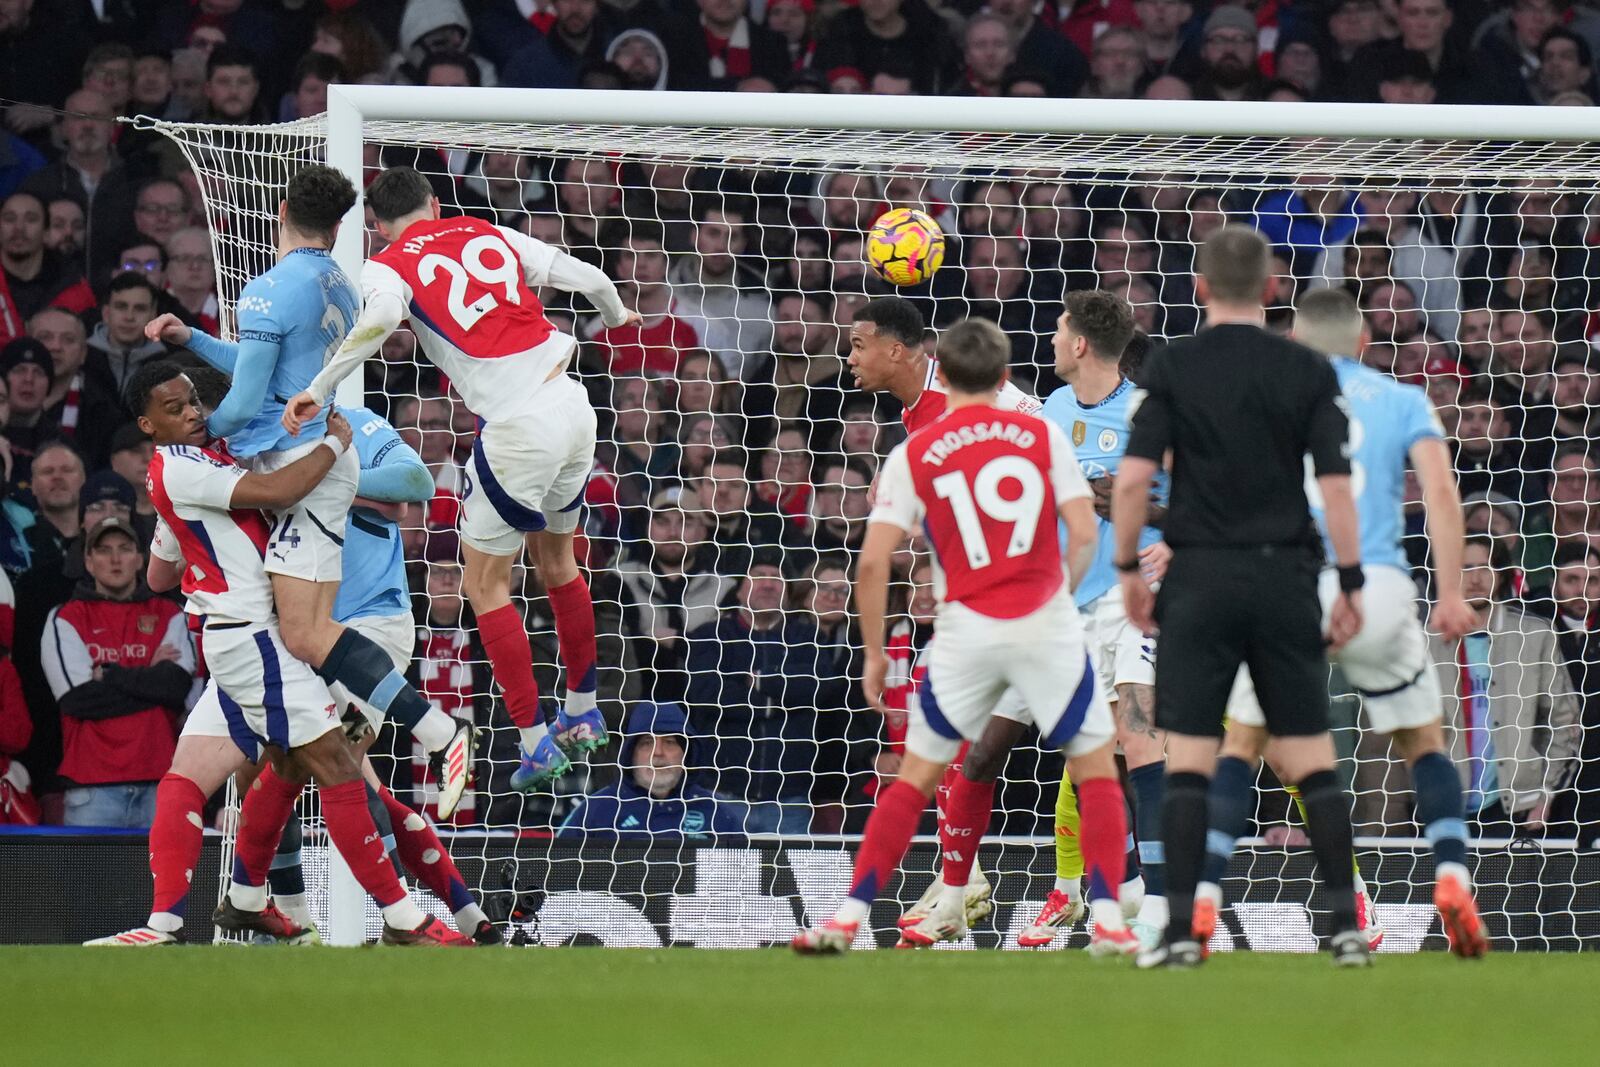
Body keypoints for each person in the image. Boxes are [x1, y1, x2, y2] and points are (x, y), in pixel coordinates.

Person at [281, 165, 639, 791]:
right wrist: (612, 314)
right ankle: (582, 711)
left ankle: (534, 742)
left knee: (486, 585)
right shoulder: (487, 230)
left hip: (517, 429)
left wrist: (319, 386)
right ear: (436, 205)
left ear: (375, 223)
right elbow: (589, 277)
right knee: (560, 565)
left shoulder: (387, 265)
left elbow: (378, 322)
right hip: (574, 409)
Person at [792, 318, 1137, 956]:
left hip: (968, 629)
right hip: (1044, 620)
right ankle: (1112, 919)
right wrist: (1062, 594)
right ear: (1005, 373)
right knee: (1095, 772)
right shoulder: (1042, 434)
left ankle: (847, 916)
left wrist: (873, 652)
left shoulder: (914, 452)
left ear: (939, 370)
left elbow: (871, 565)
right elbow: (1086, 530)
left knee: (916, 777)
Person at [145, 165, 473, 816]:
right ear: (342, 223)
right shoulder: (335, 284)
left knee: (309, 666)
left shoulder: (275, 311)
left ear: (284, 208)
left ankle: (436, 735)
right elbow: (267, 366)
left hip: (339, 548)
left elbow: (246, 398)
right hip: (292, 530)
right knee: (284, 763)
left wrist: (211, 441)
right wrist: (196, 341)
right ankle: (268, 904)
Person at [115, 361, 468, 946]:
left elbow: (157, 576)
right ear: (147, 424)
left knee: (207, 772)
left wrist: (187, 536)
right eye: (175, 409)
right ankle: (407, 916)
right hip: (254, 635)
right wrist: (333, 446)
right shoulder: (193, 467)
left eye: (194, 403)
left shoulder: (211, 461)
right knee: (334, 763)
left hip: (237, 637)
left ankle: (179, 919)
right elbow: (278, 490)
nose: (193, 414)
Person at [1113, 225, 1369, 968]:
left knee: (1189, 759)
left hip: (1198, 579)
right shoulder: (1305, 370)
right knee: (1314, 759)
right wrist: (1349, 579)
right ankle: (1343, 928)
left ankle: (1189, 936)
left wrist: (1129, 567)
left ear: (1199, 288)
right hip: (1285, 576)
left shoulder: (1173, 366)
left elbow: (1133, 480)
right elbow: (1333, 486)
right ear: (1271, 289)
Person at [1209, 288, 1488, 959]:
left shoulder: (1267, 398)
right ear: (1365, 343)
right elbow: (1442, 493)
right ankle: (1450, 872)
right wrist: (1450, 593)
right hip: (1382, 586)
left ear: (1297, 343)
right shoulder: (1403, 399)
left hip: (1288, 584)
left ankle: (1202, 898)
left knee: (1242, 743)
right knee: (1423, 740)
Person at [1027, 289, 1171, 948]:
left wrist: (1162, 532)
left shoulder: (1147, 412)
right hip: (1069, 602)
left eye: (1059, 330)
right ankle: (1113, 901)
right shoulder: (1053, 409)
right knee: (1091, 752)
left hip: (1132, 595)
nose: (1052, 341)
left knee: (1140, 735)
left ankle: (1164, 903)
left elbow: (1195, 493)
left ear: (1081, 343)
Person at [42, 515, 190, 829]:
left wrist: (109, 674)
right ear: (88, 561)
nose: (114, 558)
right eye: (104, 549)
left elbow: (176, 687)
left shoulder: (169, 613)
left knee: (164, 879)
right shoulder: (66, 617)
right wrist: (149, 676)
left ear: (140, 559)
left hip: (161, 779)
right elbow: (77, 700)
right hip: (92, 787)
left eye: (124, 548)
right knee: (88, 881)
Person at [1431, 535, 1580, 838]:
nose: (1474, 578)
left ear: (1501, 574)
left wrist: (1545, 793)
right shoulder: (1424, 643)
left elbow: (1565, 723)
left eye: (1485, 567)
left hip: (1516, 809)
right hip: (1442, 807)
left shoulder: (1535, 635)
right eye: (1465, 567)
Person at [558, 700, 749, 839]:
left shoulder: (717, 812)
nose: (658, 753)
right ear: (630, 755)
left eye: (670, 742)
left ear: (686, 754)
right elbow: (557, 874)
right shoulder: (596, 810)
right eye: (647, 743)